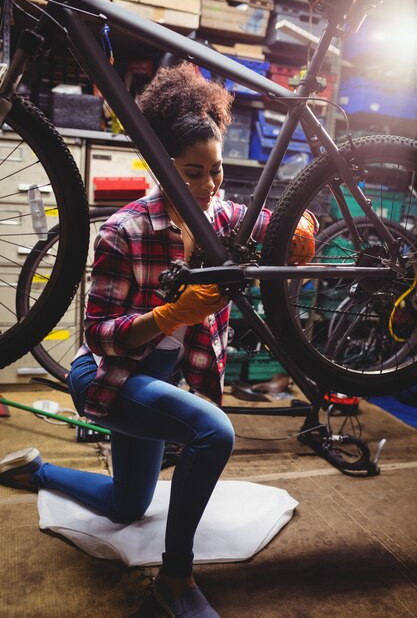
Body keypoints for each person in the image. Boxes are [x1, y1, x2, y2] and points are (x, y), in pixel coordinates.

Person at [0, 63, 317, 618]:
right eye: (193, 173)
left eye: (216, 171)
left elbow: (272, 220)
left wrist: (301, 226)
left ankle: (35, 471)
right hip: (109, 377)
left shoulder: (223, 217)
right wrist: (172, 313)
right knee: (214, 433)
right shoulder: (125, 230)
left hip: (158, 380)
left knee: (128, 506)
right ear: (160, 167)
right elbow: (98, 335)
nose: (208, 185)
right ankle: (174, 582)